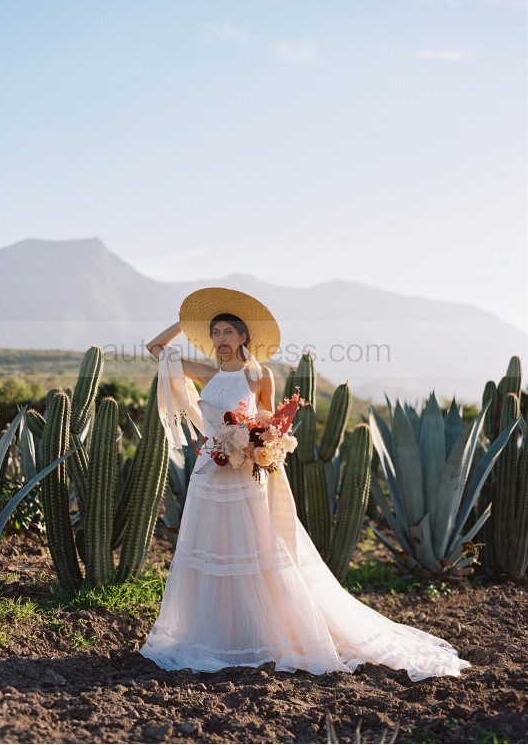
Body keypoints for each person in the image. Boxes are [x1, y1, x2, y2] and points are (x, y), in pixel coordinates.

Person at [139, 286, 472, 682]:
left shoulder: (259, 374)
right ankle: (218, 635)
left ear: (244, 337)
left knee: (252, 552)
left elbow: (273, 427)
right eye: (214, 332)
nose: (220, 339)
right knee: (212, 551)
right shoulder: (207, 372)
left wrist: (257, 448)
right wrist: (187, 321)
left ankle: (262, 634)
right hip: (209, 473)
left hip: (244, 477)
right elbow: (155, 348)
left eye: (228, 331)